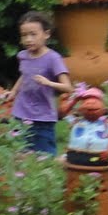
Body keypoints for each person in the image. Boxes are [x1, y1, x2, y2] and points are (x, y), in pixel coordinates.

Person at [8, 11, 73, 155]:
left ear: (46, 34)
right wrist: (13, 91)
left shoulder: (53, 58)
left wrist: (49, 83)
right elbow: (24, 75)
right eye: (24, 35)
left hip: (43, 118)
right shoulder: (23, 56)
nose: (28, 39)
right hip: (21, 113)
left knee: (45, 156)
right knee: (19, 153)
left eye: (33, 34)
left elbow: (68, 87)